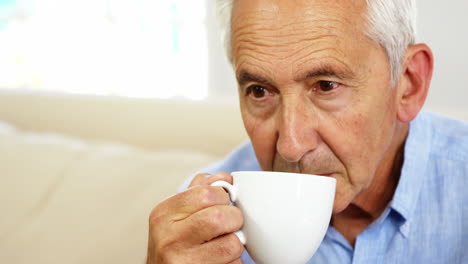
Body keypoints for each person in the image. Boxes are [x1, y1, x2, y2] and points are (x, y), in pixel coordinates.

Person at [146, 0, 468, 263]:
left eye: (326, 86)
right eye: (259, 91)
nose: (291, 145)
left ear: (409, 84)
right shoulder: (206, 218)